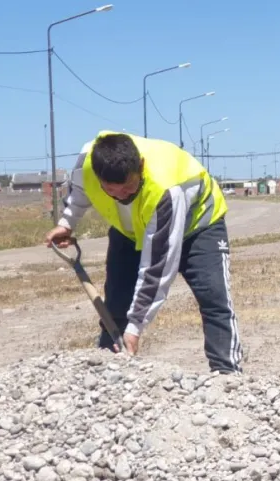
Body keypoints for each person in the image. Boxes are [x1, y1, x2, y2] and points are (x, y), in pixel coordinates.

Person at [44, 130, 244, 374]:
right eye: (112, 190)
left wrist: (135, 327)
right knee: (116, 305)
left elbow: (158, 269)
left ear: (140, 165)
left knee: (214, 298)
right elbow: (79, 191)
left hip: (199, 226)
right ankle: (108, 369)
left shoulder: (166, 187)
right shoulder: (88, 162)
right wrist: (67, 223)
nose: (122, 196)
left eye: (129, 187)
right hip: (131, 232)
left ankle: (228, 375)